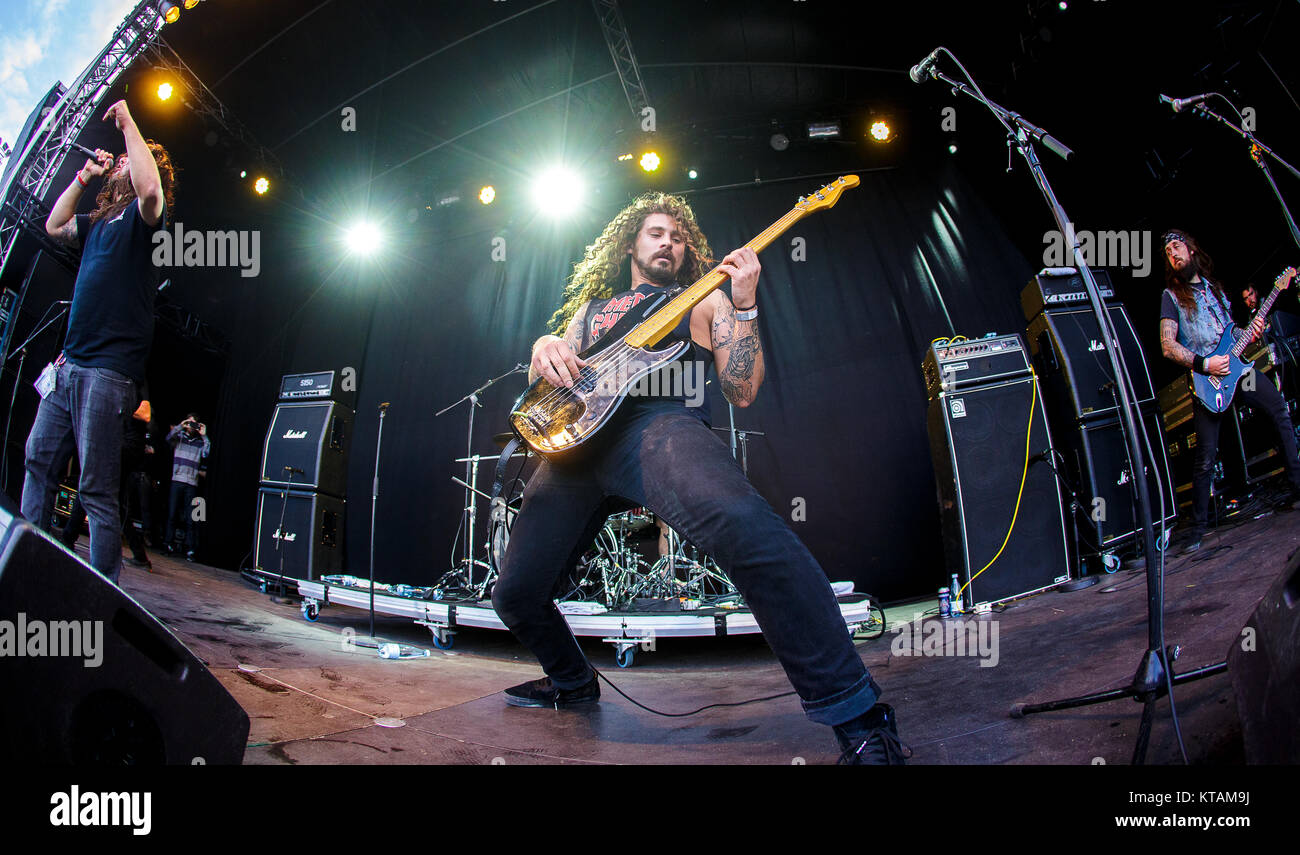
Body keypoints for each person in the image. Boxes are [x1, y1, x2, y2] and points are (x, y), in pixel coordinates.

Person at [492, 192, 906, 764]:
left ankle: (858, 719)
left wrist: (744, 301)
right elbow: (558, 366)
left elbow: (742, 389)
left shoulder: (704, 300)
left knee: (743, 524)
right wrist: (544, 344)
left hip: (659, 424)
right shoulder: (593, 309)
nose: (668, 242)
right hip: (578, 447)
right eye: (656, 232)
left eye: (679, 236)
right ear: (630, 244)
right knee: (514, 594)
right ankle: (573, 681)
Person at [22, 100, 174, 584]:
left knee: (95, 490)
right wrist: (84, 177)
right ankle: (29, 569)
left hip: (108, 374)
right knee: (38, 461)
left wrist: (131, 122)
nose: (121, 160)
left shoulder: (147, 221)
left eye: (131, 157)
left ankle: (101, 595)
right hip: (68, 367)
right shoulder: (99, 223)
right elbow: (54, 225)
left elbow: (150, 187)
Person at [1158, 229, 1300, 552]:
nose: (1173, 254)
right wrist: (1205, 365)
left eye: (1177, 247)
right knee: (1206, 457)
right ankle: (1197, 529)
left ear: (1192, 249)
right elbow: (1167, 346)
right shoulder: (1172, 296)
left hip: (1237, 373)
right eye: (1168, 252)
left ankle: (1297, 484)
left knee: (1278, 407)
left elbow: (1230, 332)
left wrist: (1251, 331)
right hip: (1209, 382)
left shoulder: (1215, 291)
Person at [60, 396, 153, 570]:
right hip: (122, 446)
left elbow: (145, 414)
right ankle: (140, 555)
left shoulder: (136, 387)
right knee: (114, 502)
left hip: (126, 448)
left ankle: (68, 538)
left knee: (89, 485)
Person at [165, 413, 209, 561]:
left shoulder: (199, 441)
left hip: (191, 482)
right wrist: (180, 426)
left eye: (194, 424)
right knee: (172, 514)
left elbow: (207, 452)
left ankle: (190, 549)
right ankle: (168, 543)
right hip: (177, 479)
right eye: (189, 423)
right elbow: (168, 438)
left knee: (192, 518)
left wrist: (204, 436)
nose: (191, 427)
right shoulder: (180, 437)